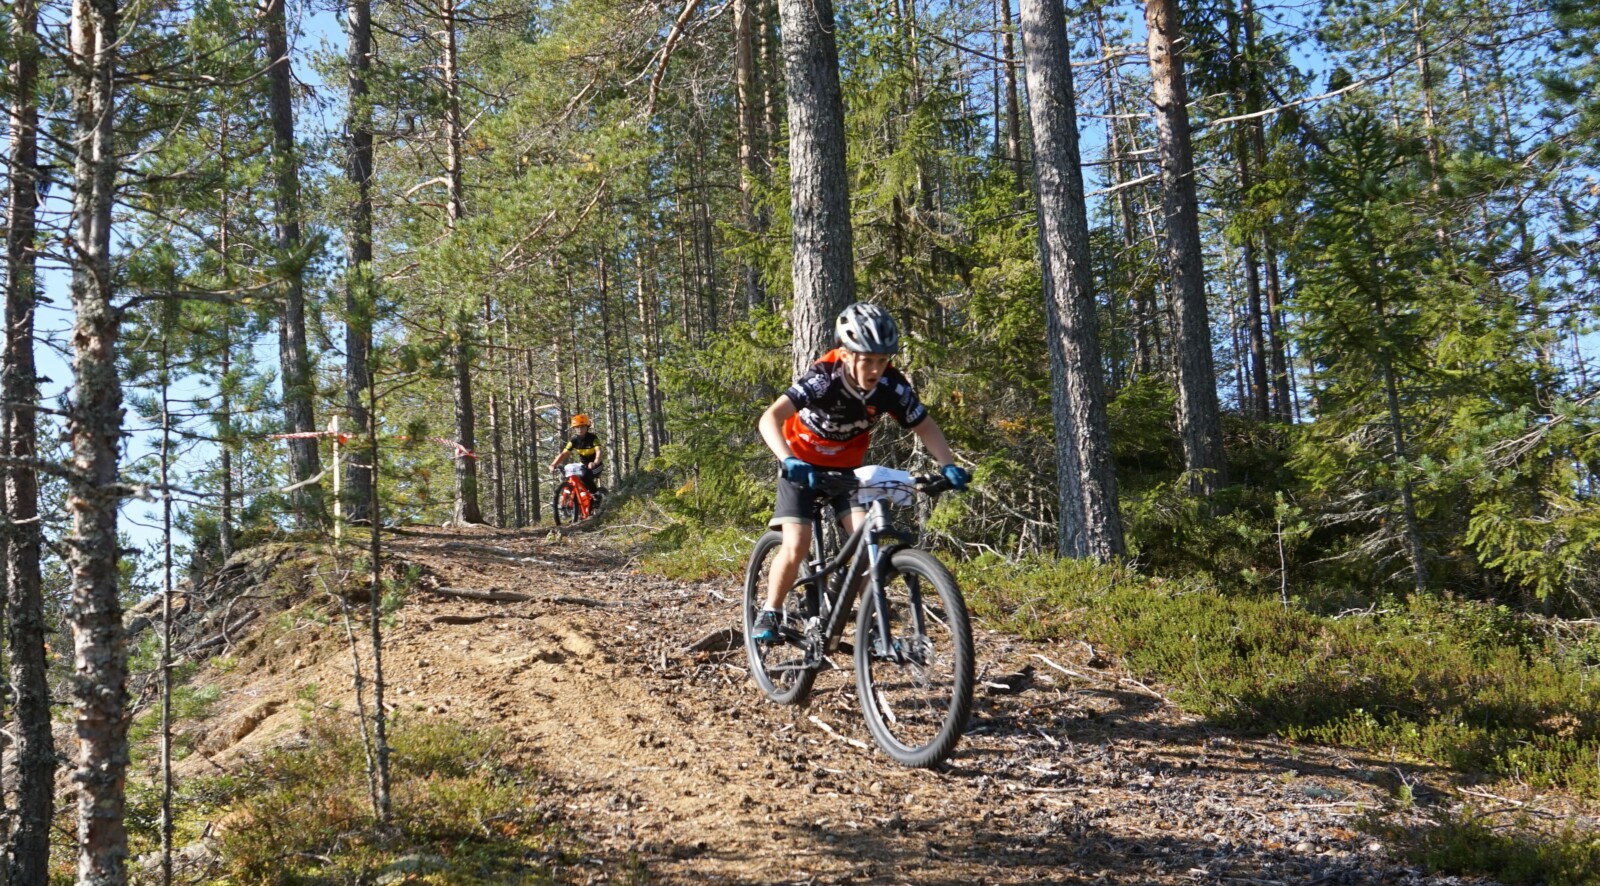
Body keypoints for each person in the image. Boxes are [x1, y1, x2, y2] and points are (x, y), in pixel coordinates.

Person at [752, 303, 970, 642]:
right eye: (867, 359)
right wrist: (787, 458)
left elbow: (925, 426)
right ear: (844, 354)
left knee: (866, 545)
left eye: (882, 360)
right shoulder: (823, 378)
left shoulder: (891, 387)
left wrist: (948, 465)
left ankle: (873, 620)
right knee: (797, 543)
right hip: (802, 467)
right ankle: (770, 610)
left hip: (846, 473)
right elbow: (769, 418)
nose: (875, 369)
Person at [550, 414, 604, 495]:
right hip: (584, 465)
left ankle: (596, 494)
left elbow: (599, 451)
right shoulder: (574, 440)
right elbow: (564, 454)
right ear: (574, 428)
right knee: (572, 476)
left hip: (596, 465)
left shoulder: (593, 438)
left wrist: (595, 462)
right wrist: (553, 464)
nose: (580, 429)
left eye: (582, 426)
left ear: (587, 427)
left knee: (584, 476)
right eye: (577, 427)